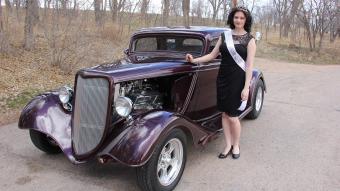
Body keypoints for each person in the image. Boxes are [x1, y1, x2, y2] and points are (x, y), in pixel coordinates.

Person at [185, 6, 256, 159]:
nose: (238, 20)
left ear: (246, 21)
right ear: (232, 19)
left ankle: (236, 145)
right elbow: (211, 55)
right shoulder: (225, 36)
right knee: (224, 114)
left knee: (233, 116)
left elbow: (249, 65)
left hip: (238, 80)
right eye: (236, 17)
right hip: (223, 79)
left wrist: (246, 88)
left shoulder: (250, 40)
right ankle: (228, 145)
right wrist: (194, 60)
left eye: (242, 18)